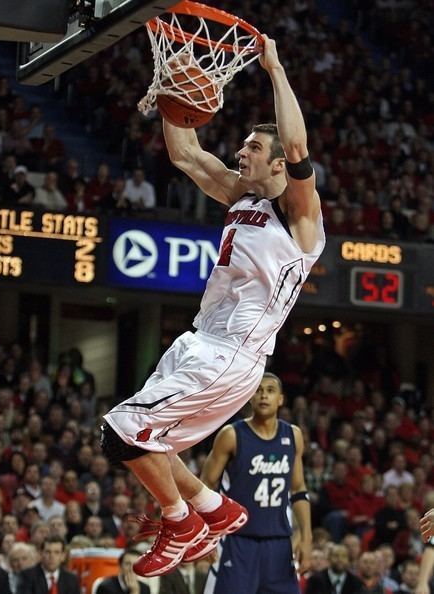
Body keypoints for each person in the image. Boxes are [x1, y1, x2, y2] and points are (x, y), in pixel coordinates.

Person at [101, 35, 324, 578]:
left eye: (251, 147)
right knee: (145, 445)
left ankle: (181, 522)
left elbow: (296, 150)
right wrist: (172, 86)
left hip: (230, 355)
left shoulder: (300, 218)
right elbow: (184, 152)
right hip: (199, 344)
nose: (240, 152)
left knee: (124, 429)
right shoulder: (239, 196)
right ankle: (213, 508)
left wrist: (274, 68)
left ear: (275, 166)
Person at [202, 372, 311, 594]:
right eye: (258, 390)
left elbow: (298, 489)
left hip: (279, 543)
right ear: (250, 397)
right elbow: (205, 486)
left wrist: (307, 537)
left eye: (270, 390)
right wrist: (205, 536)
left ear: (280, 399)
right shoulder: (231, 435)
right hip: (236, 541)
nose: (264, 395)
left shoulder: (293, 436)